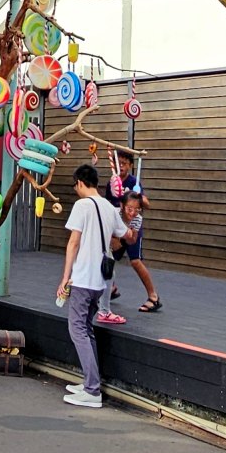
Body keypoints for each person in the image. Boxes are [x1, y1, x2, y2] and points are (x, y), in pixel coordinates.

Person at [56, 165, 127, 410]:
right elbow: (123, 235)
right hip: (100, 282)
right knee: (87, 329)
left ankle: (92, 390)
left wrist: (65, 277)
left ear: (79, 183)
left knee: (76, 329)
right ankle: (89, 381)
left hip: (83, 278)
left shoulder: (82, 206)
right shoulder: (109, 206)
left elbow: (73, 242)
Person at [109, 193, 161, 316]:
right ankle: (110, 288)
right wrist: (115, 239)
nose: (132, 213)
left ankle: (153, 297)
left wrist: (129, 236)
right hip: (113, 236)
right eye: (129, 209)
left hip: (125, 236)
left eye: (137, 209)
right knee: (106, 258)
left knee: (135, 261)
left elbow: (132, 241)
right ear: (122, 206)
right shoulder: (114, 214)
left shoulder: (137, 218)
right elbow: (108, 234)